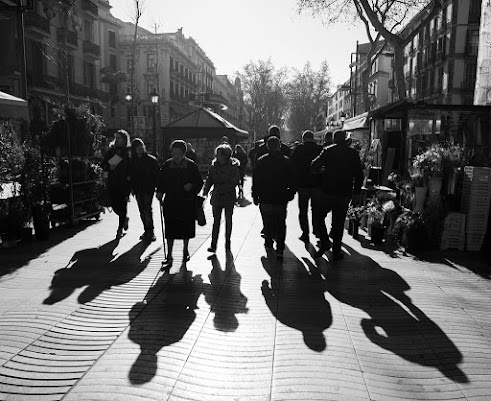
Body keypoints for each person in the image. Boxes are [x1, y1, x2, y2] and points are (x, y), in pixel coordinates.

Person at [311, 130, 363, 260]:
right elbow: (359, 174)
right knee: (338, 223)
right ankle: (336, 251)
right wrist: (356, 192)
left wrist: (321, 172)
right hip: (344, 192)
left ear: (334, 139)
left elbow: (313, 165)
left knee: (318, 216)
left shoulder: (328, 151)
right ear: (345, 139)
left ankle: (325, 242)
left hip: (329, 191)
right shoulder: (353, 154)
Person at [156, 140, 203, 265]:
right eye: (174, 153)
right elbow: (160, 182)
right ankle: (169, 254)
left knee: (186, 228)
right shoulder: (166, 165)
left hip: (186, 202)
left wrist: (191, 186)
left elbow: (199, 183)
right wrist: (160, 192)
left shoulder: (191, 166)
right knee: (170, 228)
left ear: (184, 153)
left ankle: (185, 250)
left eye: (178, 153)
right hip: (171, 201)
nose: (176, 156)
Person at [252, 136, 296, 260]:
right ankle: (280, 249)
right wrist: (290, 194)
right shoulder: (286, 161)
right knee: (281, 223)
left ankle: (269, 242)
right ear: (279, 146)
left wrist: (255, 195)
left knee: (267, 221)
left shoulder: (261, 161)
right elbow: (292, 180)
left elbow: (256, 180)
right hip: (281, 198)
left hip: (265, 197)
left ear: (267, 146)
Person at [202, 144, 240, 253]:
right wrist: (205, 192)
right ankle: (213, 244)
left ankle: (227, 242)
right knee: (216, 221)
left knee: (228, 220)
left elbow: (234, 182)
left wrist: (220, 188)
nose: (217, 157)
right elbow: (209, 180)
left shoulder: (234, 167)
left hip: (228, 196)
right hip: (217, 197)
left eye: (219, 155)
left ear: (226, 156)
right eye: (217, 155)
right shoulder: (214, 166)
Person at [290, 130, 323, 242]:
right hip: (317, 184)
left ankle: (305, 233)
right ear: (312, 138)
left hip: (303, 184)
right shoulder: (319, 149)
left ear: (303, 139)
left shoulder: (298, 149)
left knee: (303, 210)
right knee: (316, 209)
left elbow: (292, 166)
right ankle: (317, 230)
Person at [102, 129, 131, 239]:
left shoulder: (128, 151)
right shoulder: (112, 151)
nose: (117, 140)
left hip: (124, 182)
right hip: (113, 181)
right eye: (117, 138)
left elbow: (130, 165)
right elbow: (104, 164)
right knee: (114, 205)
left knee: (123, 205)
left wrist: (130, 177)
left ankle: (120, 229)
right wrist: (109, 167)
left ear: (125, 140)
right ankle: (124, 219)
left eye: (120, 138)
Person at [130, 138, 160, 241]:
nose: (140, 149)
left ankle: (150, 231)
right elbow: (131, 176)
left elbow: (157, 175)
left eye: (141, 146)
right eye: (138, 147)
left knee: (147, 210)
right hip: (138, 189)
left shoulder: (151, 160)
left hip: (148, 188)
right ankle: (146, 230)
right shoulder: (132, 161)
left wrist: (159, 189)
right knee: (142, 210)